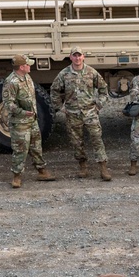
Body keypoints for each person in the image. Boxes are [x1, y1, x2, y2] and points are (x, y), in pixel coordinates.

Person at [50, 46, 111, 181]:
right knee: (77, 142)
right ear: (70, 57)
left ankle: (103, 167)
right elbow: (54, 90)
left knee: (97, 139)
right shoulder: (64, 74)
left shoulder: (91, 72)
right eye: (74, 56)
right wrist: (60, 107)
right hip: (72, 114)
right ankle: (83, 166)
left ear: (83, 57)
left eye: (80, 55)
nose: (77, 58)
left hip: (90, 112)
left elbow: (103, 89)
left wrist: (99, 105)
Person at [2, 54, 54, 189]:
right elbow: (8, 104)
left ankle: (42, 171)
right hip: (20, 122)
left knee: (36, 146)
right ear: (21, 67)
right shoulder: (11, 82)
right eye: (27, 64)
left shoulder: (27, 77)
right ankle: (17, 176)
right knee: (20, 149)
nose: (30, 66)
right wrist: (23, 113)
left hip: (32, 120)